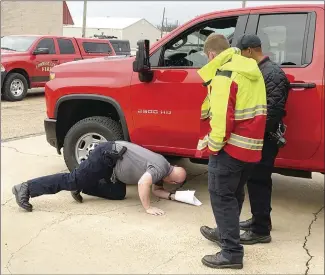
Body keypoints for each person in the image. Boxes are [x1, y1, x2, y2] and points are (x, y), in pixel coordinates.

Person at [196, 34, 267, 269]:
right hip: (250, 148)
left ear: (212, 55)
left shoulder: (225, 74)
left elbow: (222, 121)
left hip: (231, 148)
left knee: (221, 196)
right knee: (234, 194)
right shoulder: (250, 69)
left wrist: (213, 147)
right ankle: (227, 233)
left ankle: (231, 253)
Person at [12, 141, 187, 216]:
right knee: (72, 179)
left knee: (118, 193)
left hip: (113, 163)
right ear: (172, 181)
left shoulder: (164, 166)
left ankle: (83, 185)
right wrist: (148, 208)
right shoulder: (160, 168)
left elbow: (157, 190)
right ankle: (26, 188)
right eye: (175, 186)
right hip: (106, 156)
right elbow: (143, 183)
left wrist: (173, 197)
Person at [235, 34, 290, 243]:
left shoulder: (272, 73)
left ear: (249, 51)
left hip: (265, 138)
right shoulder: (261, 70)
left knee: (259, 181)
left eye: (242, 53)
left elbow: (273, 112)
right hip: (260, 136)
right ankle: (261, 219)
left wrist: (253, 132)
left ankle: (260, 231)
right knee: (256, 180)